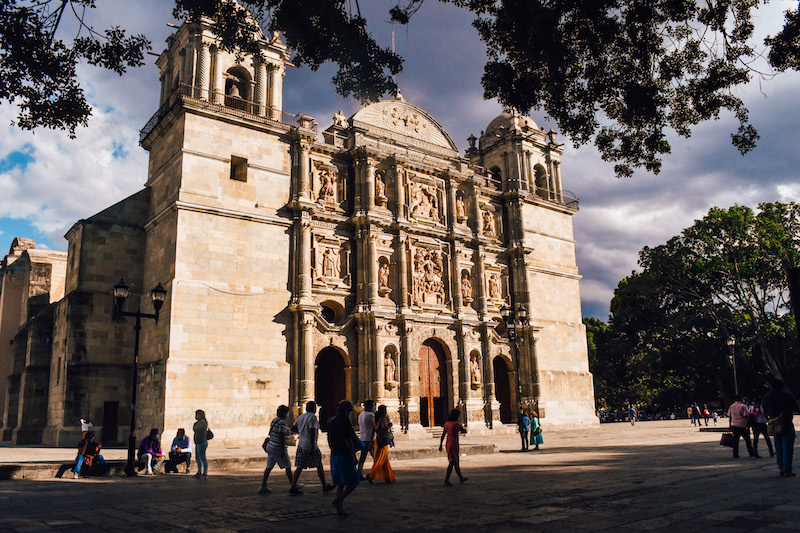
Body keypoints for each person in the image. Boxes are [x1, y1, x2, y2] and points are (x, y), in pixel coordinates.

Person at [290, 401, 334, 494]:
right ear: (314, 409)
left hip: (301, 444)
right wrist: (313, 445)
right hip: (309, 444)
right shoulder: (312, 417)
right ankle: (324, 485)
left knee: (299, 466)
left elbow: (293, 428)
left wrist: (301, 432)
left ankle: (293, 486)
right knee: (319, 465)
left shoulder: (301, 417)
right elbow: (313, 430)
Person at [327, 400, 362, 517]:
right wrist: (353, 456)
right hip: (343, 455)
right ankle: (338, 500)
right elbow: (348, 440)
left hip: (334, 455)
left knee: (341, 483)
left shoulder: (331, 420)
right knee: (354, 481)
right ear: (347, 411)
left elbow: (329, 437)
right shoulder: (345, 421)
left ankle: (339, 507)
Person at [762, 378, 799, 477]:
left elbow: (764, 411)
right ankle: (787, 469)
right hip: (786, 423)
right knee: (787, 447)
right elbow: (796, 407)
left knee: (778, 446)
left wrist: (769, 419)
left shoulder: (767, 396)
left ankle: (781, 467)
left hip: (774, 423)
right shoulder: (787, 395)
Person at [259, 405, 296, 494]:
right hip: (278, 447)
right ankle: (293, 485)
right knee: (287, 466)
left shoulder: (274, 421)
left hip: (271, 446)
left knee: (269, 466)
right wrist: (283, 449)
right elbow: (281, 436)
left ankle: (263, 485)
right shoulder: (282, 423)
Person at [366, 405, 396, 484]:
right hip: (383, 441)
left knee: (384, 459)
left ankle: (388, 477)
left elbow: (373, 430)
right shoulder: (383, 418)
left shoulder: (375, 419)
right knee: (381, 459)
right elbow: (384, 427)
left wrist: (371, 442)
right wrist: (389, 425)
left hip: (377, 440)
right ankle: (371, 475)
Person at [438, 409, 468, 485]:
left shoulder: (446, 424)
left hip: (448, 443)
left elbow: (443, 435)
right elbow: (464, 431)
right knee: (453, 462)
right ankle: (447, 480)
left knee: (454, 461)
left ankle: (460, 477)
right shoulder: (456, 424)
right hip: (454, 444)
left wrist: (440, 445)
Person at [357, 400, 375, 479]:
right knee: (375, 457)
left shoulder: (361, 414)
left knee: (362, 458)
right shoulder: (370, 415)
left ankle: (359, 473)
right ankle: (380, 471)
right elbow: (373, 427)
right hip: (369, 439)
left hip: (363, 438)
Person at [193, 409, 209, 479]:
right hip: (198, 442)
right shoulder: (198, 422)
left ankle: (204, 473)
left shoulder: (202, 422)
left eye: (197, 415)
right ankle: (199, 472)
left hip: (202, 442)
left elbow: (195, 428)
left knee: (203, 458)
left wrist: (195, 425)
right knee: (198, 458)